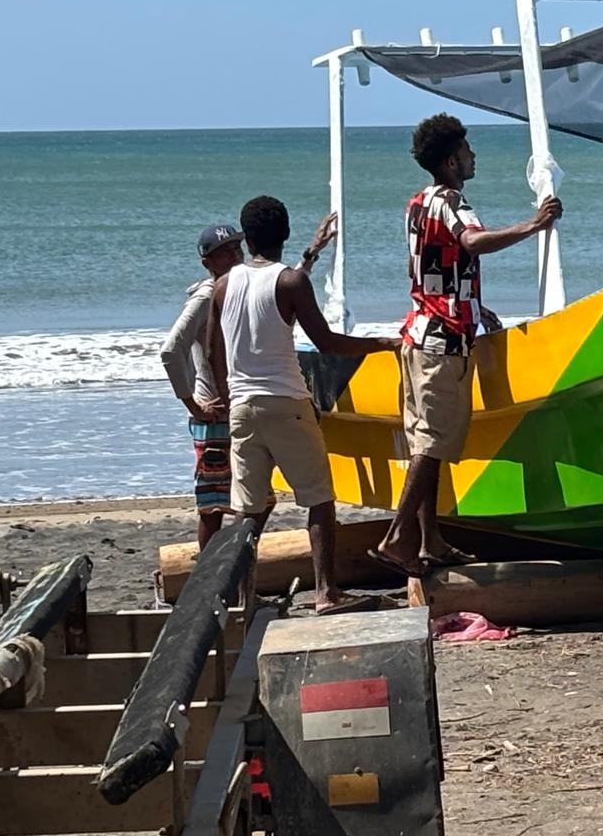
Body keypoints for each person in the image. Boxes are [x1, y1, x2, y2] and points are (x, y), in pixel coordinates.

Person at [371, 114, 563, 577]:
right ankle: (398, 537)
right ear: (452, 160)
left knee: (426, 441)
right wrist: (533, 225)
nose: (474, 156)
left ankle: (430, 540)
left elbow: (439, 268)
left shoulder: (417, 204)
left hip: (420, 333)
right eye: (467, 149)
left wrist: (476, 307)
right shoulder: (452, 200)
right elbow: (472, 242)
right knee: (433, 443)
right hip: (442, 342)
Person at [206, 196, 398, 615]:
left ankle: (243, 597)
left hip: (242, 407)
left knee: (249, 510)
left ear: (246, 238)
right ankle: (326, 593)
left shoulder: (224, 285)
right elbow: (328, 343)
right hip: (288, 403)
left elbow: (211, 348)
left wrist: (227, 392)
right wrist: (383, 344)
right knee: (317, 499)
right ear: (285, 233)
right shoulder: (290, 282)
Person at [161, 216, 336, 550]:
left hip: (239, 405)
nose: (234, 256)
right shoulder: (207, 295)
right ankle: (209, 580)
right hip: (215, 413)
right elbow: (171, 350)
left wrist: (311, 254)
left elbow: (275, 291)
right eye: (224, 252)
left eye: (236, 248)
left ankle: (235, 574)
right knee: (214, 507)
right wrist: (193, 404)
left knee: (258, 500)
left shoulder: (237, 285)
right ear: (207, 262)